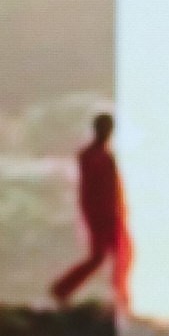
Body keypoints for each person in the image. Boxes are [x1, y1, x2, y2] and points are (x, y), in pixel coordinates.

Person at [50, 112, 132, 312]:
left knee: (121, 254)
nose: (108, 133)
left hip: (109, 213)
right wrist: (103, 213)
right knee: (103, 256)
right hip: (101, 214)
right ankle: (62, 289)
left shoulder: (102, 155)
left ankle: (120, 297)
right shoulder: (92, 156)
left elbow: (113, 188)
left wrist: (121, 209)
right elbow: (93, 189)